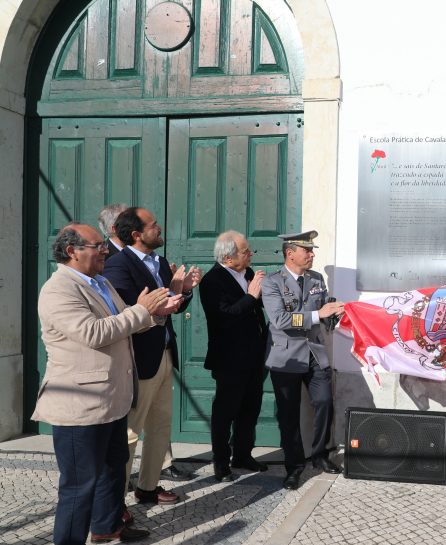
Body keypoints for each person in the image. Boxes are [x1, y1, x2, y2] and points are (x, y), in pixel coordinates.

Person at [32, 224, 180, 545]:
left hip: (112, 398)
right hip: (80, 404)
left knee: (113, 467)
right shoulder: (58, 290)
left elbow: (124, 323)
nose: (106, 252)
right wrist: (140, 311)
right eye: (98, 246)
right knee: (78, 485)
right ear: (72, 251)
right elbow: (93, 333)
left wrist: (157, 314)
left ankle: (107, 525)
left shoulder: (99, 282)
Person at [103, 207, 201, 506]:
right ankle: (115, 503)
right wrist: (161, 303)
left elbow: (172, 306)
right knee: (131, 432)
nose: (159, 228)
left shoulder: (159, 261)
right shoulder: (118, 265)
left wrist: (183, 292)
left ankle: (148, 487)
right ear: (136, 234)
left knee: (160, 426)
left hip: (164, 353)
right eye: (153, 225)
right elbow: (127, 312)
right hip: (138, 358)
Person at [261, 230, 345, 490]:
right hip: (285, 356)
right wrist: (319, 314)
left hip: (315, 354)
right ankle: (294, 466)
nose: (312, 254)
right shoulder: (272, 282)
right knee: (289, 415)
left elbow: (324, 318)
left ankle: (319, 454)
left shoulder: (316, 279)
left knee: (324, 402)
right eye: (307, 250)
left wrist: (335, 314)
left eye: (312, 250)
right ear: (290, 253)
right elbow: (281, 320)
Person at [200, 231, 269, 482]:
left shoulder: (249, 274)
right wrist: (251, 296)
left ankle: (243, 454)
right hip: (229, 359)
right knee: (225, 412)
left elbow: (257, 309)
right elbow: (225, 316)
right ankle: (221, 461)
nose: (250, 254)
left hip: (254, 356)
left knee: (250, 409)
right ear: (228, 258)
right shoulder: (212, 281)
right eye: (245, 251)